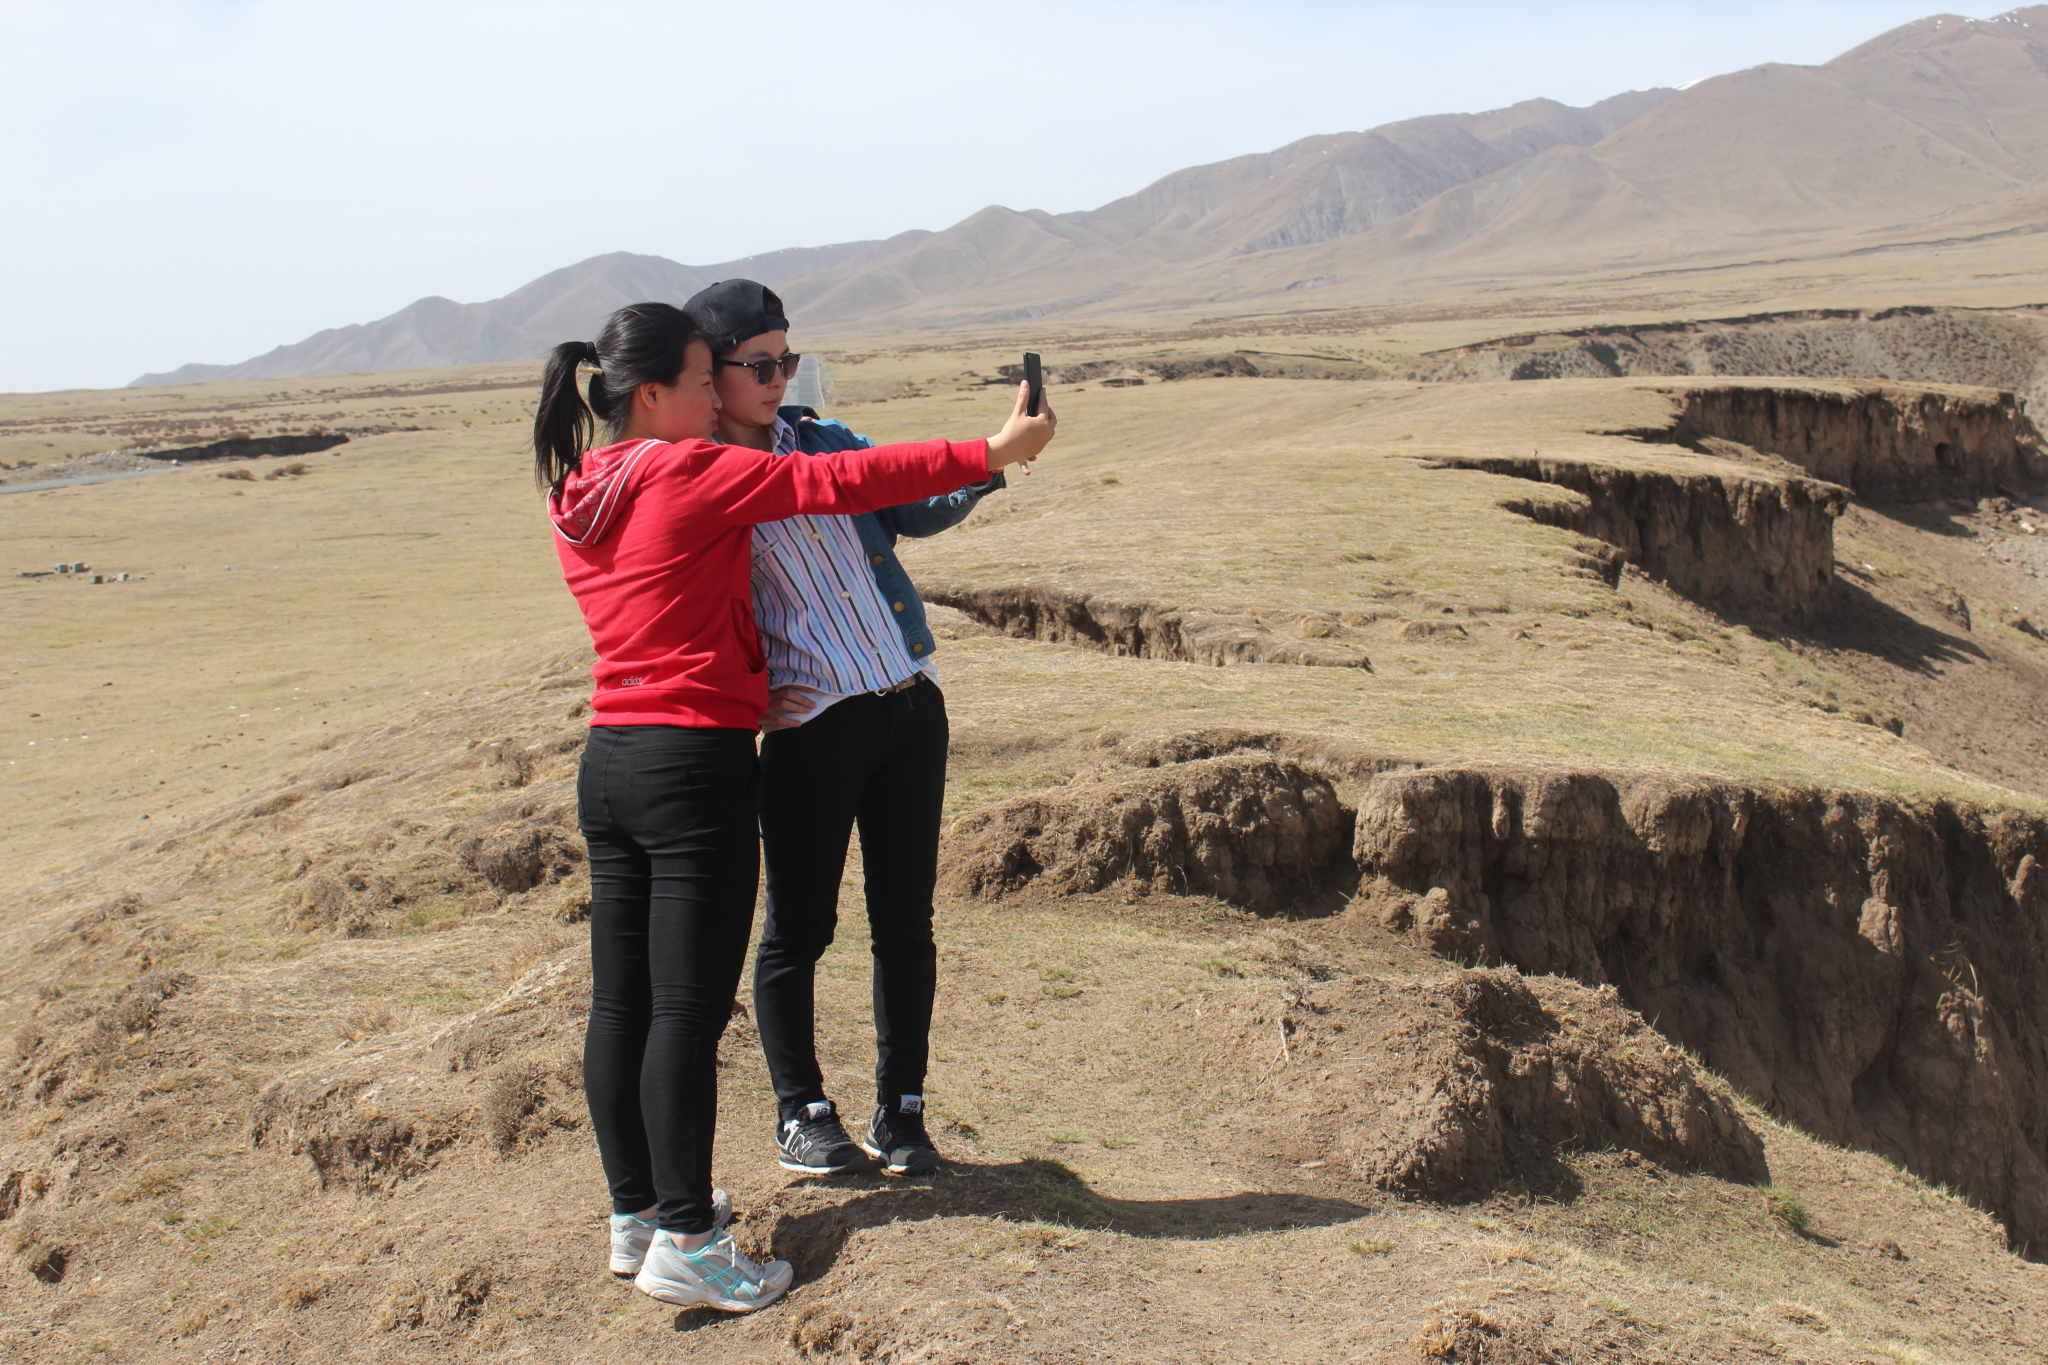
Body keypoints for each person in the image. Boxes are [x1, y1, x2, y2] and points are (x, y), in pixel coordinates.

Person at [535, 301, 1054, 1313]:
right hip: (691, 767)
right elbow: (836, 481)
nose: (711, 395)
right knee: (686, 1011)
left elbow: (661, 603)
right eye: (699, 380)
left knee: (621, 1005)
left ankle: (636, 1216)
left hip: (611, 761)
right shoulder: (685, 466)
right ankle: (690, 1239)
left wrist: (741, 669)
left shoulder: (579, 486)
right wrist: (993, 448)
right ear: (653, 395)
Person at [682, 281, 1016, 1181]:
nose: (781, 376)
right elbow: (689, 618)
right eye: (762, 363)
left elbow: (914, 502)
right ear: (710, 374)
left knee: (906, 921)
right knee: (800, 927)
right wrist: (754, 706)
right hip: (814, 725)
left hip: (910, 703)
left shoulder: (824, 441)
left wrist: (991, 461)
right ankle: (803, 1111)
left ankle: (903, 1112)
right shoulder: (696, 478)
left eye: (788, 359)